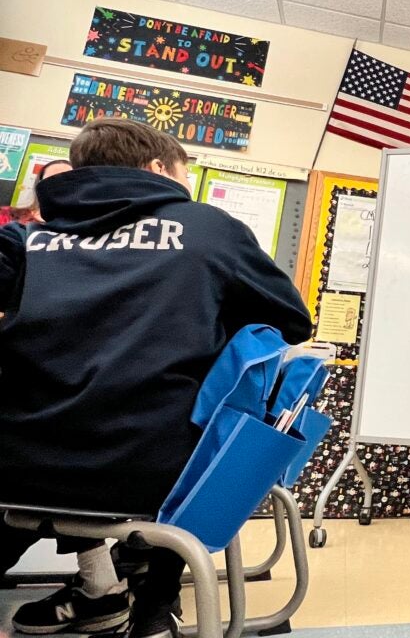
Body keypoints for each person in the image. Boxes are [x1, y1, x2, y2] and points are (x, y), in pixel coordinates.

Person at [0, 117, 313, 638]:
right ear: (157, 169)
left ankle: (106, 593)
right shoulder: (208, 229)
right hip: (150, 472)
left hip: (19, 465)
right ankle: (154, 608)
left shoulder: (27, 239)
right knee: (191, 432)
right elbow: (292, 321)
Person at [2, 156, 133, 636]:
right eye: (58, 186)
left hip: (66, 430)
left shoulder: (118, 253)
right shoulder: (22, 242)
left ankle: (104, 591)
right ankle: (103, 590)